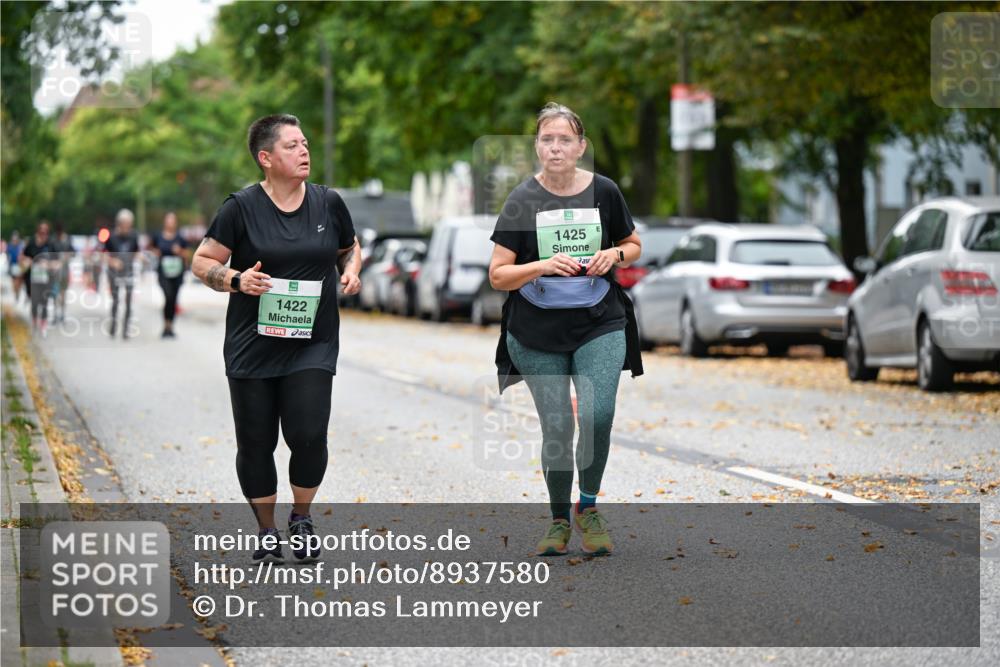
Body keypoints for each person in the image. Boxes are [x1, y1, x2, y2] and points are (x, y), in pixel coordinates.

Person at [192, 113, 361, 564]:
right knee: (256, 441)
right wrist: (234, 280)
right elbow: (202, 261)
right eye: (292, 145)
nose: (304, 151)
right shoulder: (240, 208)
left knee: (308, 435)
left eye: (305, 143)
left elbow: (350, 246)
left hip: (313, 341)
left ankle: (301, 516)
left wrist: (351, 271)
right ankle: (266, 528)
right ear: (266, 158)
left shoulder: (328, 203)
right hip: (253, 343)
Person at [488, 103, 644, 557]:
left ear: (581, 147)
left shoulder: (604, 192)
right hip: (536, 328)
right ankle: (558, 520)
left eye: (564, 140)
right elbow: (498, 275)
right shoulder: (522, 199)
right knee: (558, 427)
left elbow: (633, 244)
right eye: (546, 140)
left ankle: (588, 508)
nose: (555, 148)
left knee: (597, 415)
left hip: (599, 320)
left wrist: (613, 256)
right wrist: (541, 265)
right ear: (537, 147)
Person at [150, 212, 188, 338]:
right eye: (168, 220)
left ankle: (170, 327)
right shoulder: (158, 236)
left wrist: (179, 251)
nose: (170, 222)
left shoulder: (180, 238)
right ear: (165, 222)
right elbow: (151, 249)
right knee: (168, 296)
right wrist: (156, 252)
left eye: (173, 220)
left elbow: (187, 255)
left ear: (175, 222)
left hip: (177, 272)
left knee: (173, 299)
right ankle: (165, 325)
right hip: (163, 272)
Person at [103, 209, 141, 339]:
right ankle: (113, 325)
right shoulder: (111, 237)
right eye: (125, 223)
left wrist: (140, 258)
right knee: (115, 300)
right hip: (114, 273)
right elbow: (104, 255)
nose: (127, 226)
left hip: (129, 271)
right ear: (119, 223)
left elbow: (136, 251)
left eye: (129, 223)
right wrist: (112, 261)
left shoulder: (134, 236)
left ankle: (126, 329)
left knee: (129, 301)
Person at [20, 222, 57, 336]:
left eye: (46, 232)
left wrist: (48, 264)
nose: (43, 234)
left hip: (46, 278)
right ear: (38, 232)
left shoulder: (51, 244)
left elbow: (57, 262)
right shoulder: (31, 243)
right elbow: (22, 256)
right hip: (32, 278)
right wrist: (29, 261)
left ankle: (43, 325)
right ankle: (35, 322)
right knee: (35, 302)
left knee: (45, 301)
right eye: (41, 232)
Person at [6, 231, 25, 304]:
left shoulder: (20, 246)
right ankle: (16, 293)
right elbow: (8, 256)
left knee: (18, 281)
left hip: (18, 265)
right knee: (13, 281)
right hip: (12, 265)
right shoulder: (10, 246)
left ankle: (18, 292)